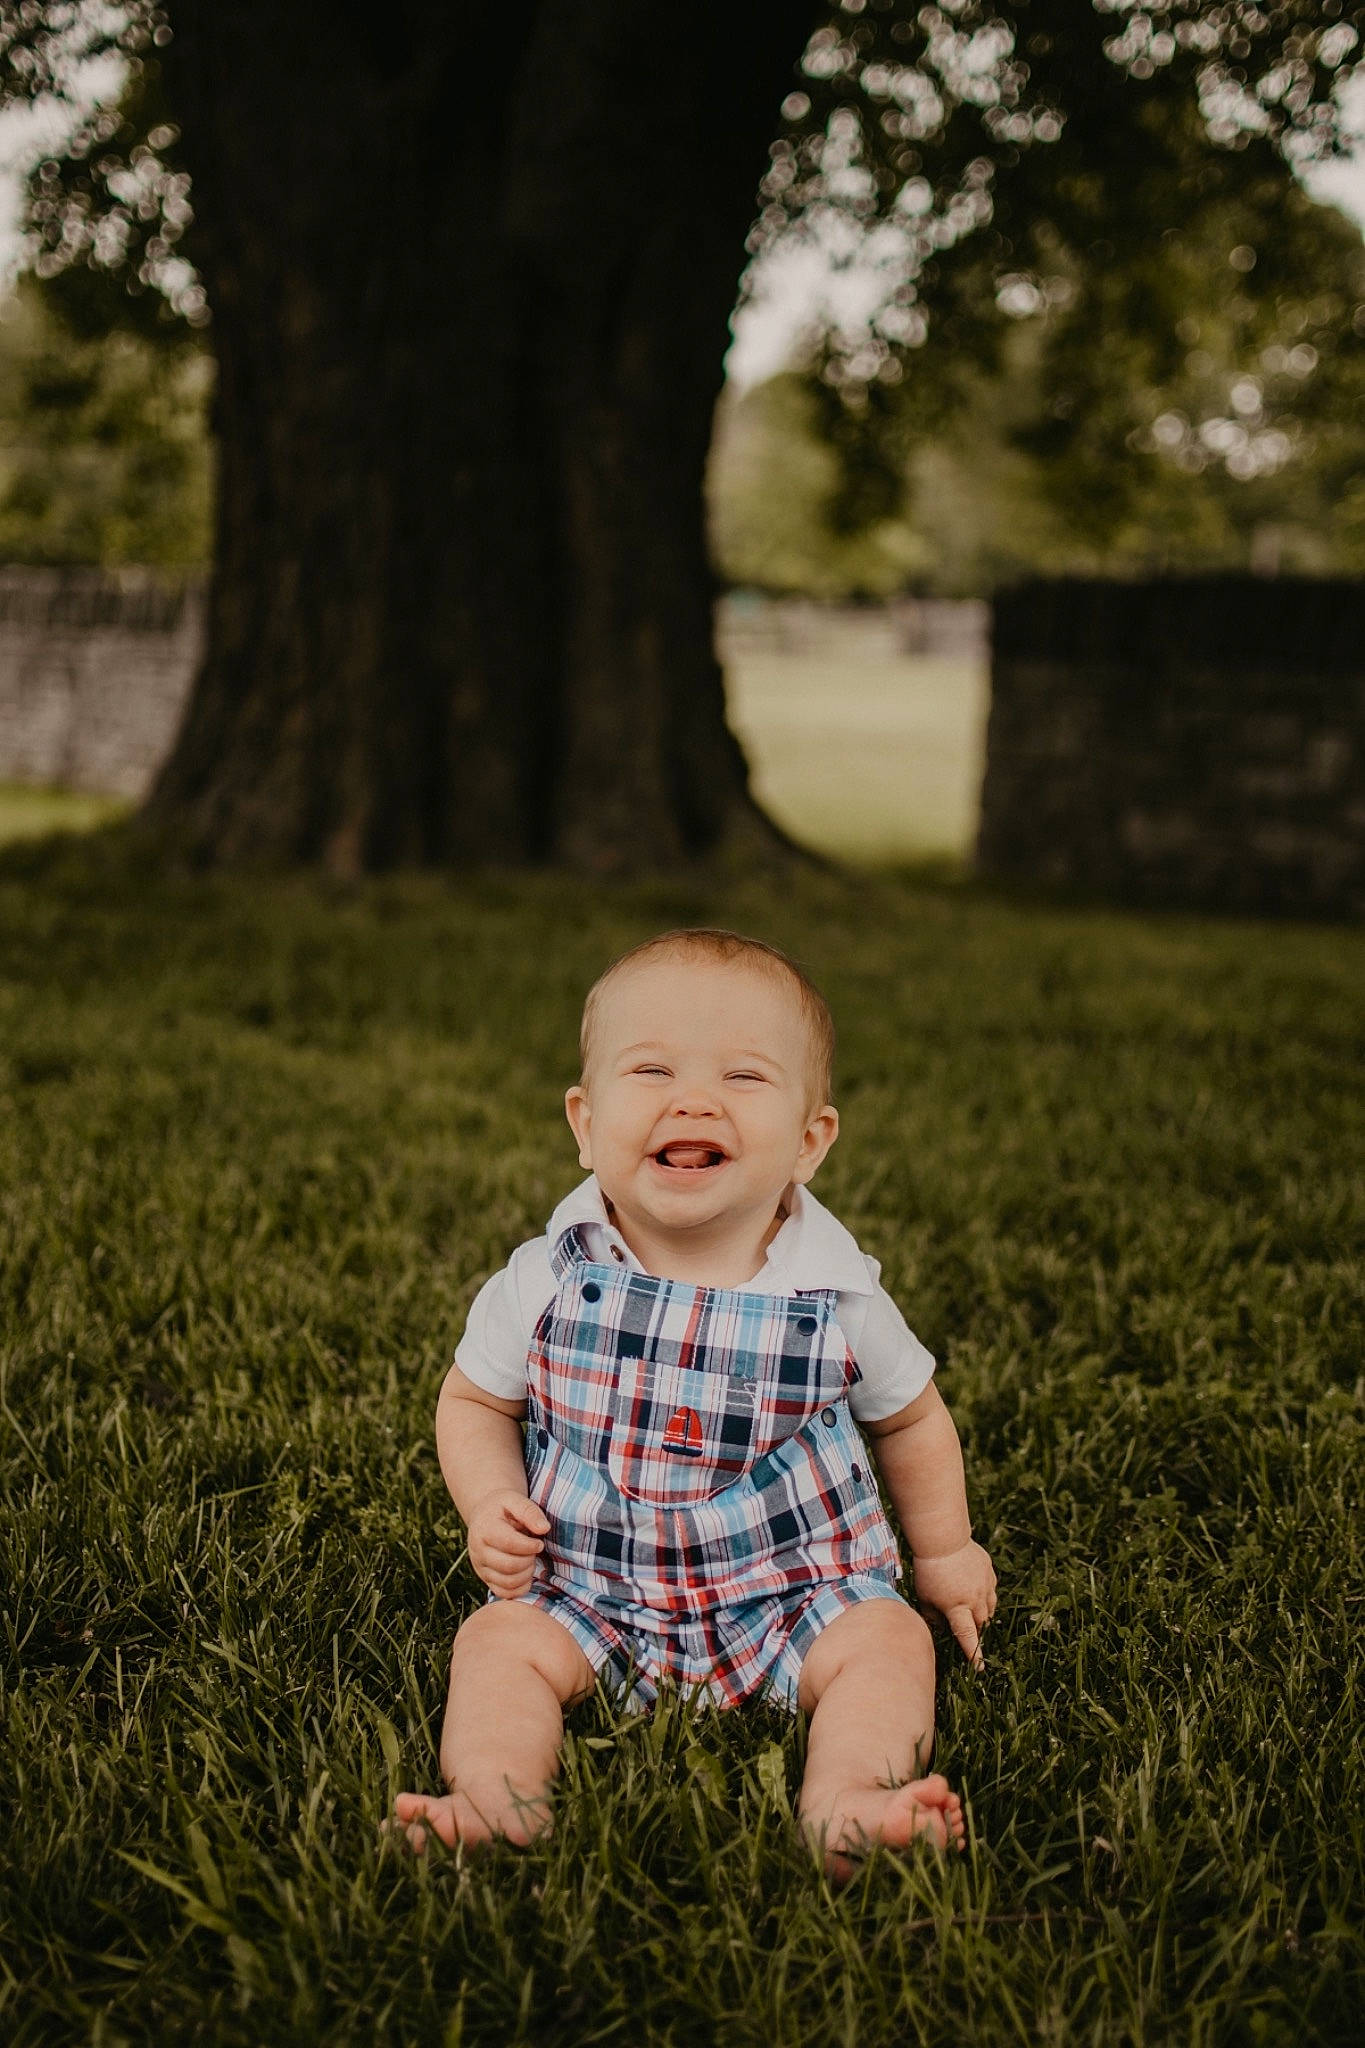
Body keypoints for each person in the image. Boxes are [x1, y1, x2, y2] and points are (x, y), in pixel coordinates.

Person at [393, 929, 996, 1876]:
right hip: (590, 1589)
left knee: (886, 1642)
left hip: (797, 1587)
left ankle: (850, 1801)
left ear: (809, 1141)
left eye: (745, 1078)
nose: (694, 1098)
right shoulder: (546, 1280)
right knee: (496, 1641)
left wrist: (946, 1551)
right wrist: (486, 1505)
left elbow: (910, 1417)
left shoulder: (837, 1295)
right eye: (652, 1069)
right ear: (584, 1123)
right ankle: (497, 1799)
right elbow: (473, 1400)